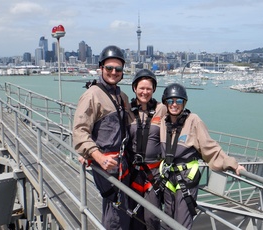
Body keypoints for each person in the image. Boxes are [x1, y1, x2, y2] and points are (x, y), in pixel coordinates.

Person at [156, 83, 246, 230]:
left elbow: (209, 146)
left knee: (182, 222)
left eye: (178, 101)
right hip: (168, 177)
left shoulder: (193, 120)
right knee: (167, 219)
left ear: (184, 103)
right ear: (165, 102)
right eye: (170, 101)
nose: (174, 105)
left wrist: (233, 164)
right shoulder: (163, 122)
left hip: (186, 178)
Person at [73, 45, 131, 230]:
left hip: (122, 163)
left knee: (122, 210)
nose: (114, 72)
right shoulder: (92, 95)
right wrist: (95, 155)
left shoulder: (122, 96)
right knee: (114, 211)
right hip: (106, 164)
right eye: (109, 68)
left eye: (118, 69)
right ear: (101, 69)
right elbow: (80, 131)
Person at [126, 69, 167, 230]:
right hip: (133, 172)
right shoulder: (127, 111)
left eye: (148, 88)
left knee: (152, 216)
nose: (145, 92)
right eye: (141, 88)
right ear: (134, 88)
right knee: (133, 215)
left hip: (153, 173)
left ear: (154, 90)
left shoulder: (161, 109)